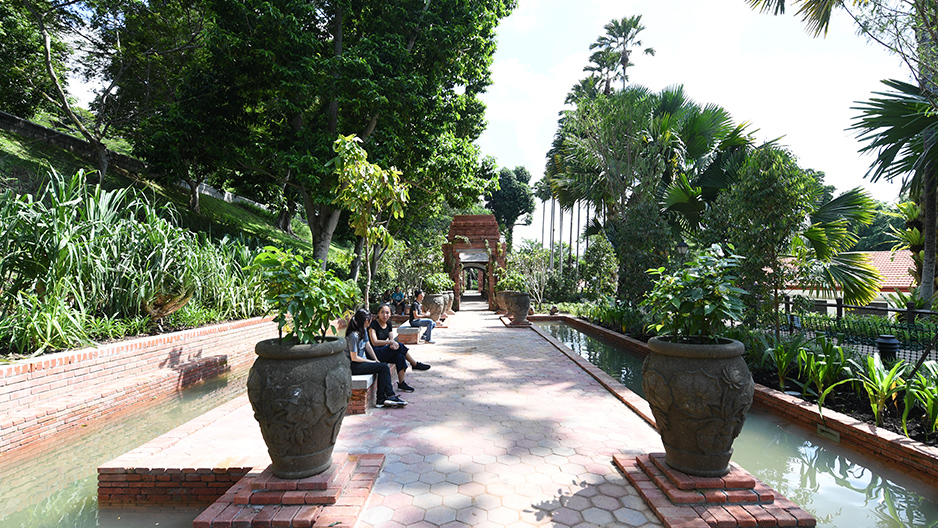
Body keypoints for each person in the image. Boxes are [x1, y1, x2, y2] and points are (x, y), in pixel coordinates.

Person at [346, 308, 407, 407]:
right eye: (370, 319)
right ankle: (388, 396)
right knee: (383, 368)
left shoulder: (363, 330)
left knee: (381, 366)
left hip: (360, 362)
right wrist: (370, 362)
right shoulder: (353, 336)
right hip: (353, 365)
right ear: (366, 321)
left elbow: (368, 345)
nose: (371, 321)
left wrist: (375, 360)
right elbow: (354, 357)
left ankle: (381, 399)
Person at [369, 303, 431, 393]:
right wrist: (390, 342)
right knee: (400, 346)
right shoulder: (373, 325)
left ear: (390, 314)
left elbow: (391, 339)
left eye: (387, 313)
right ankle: (414, 364)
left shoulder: (388, 324)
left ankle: (401, 383)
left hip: (383, 350)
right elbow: (374, 342)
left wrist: (393, 345)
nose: (385, 315)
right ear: (378, 313)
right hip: (374, 353)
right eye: (382, 312)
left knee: (400, 356)